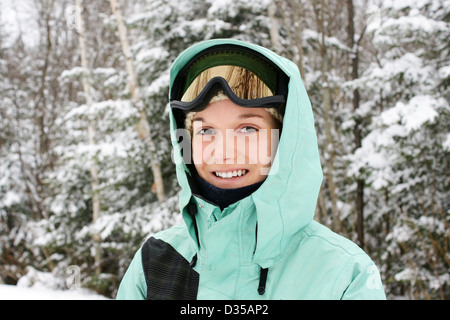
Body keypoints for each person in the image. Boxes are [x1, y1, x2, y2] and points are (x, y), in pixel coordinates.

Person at [116, 39, 386, 300]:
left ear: (285, 139)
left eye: (248, 129)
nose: (223, 152)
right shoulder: (155, 264)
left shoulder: (343, 274)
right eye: (206, 130)